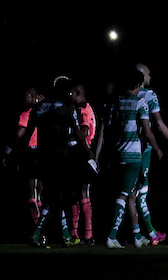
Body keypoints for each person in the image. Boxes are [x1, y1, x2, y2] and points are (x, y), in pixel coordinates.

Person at [13, 75, 94, 248]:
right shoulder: (67, 108)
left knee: (52, 197)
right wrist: (87, 151)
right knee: (58, 196)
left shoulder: (40, 107)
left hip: (43, 157)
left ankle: (55, 235)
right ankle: (50, 235)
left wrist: (20, 153)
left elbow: (29, 132)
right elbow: (78, 133)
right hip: (61, 157)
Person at [95, 66, 162, 249]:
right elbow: (147, 132)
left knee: (129, 194)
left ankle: (137, 235)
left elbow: (107, 129)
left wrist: (102, 154)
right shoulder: (140, 103)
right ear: (139, 84)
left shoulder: (115, 102)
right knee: (125, 195)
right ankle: (112, 236)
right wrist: (157, 148)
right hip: (134, 156)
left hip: (117, 154)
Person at [130, 63, 168, 246]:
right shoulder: (149, 96)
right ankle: (145, 233)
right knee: (138, 192)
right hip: (143, 149)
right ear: (142, 75)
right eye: (148, 74)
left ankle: (145, 232)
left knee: (132, 191)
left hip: (125, 147)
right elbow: (158, 124)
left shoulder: (124, 96)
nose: (150, 77)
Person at [3, 85, 43, 233]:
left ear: (33, 97)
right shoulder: (44, 111)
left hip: (32, 154)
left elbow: (19, 135)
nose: (23, 98)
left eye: (26, 95)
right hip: (43, 154)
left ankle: (38, 230)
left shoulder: (28, 113)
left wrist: (8, 152)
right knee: (39, 193)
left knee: (31, 194)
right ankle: (41, 229)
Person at [70, 81, 97, 244]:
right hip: (86, 152)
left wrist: (71, 134)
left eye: (71, 93)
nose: (69, 97)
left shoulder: (81, 109)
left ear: (78, 93)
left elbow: (85, 130)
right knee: (81, 193)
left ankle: (81, 234)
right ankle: (84, 234)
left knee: (78, 193)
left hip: (81, 153)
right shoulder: (88, 107)